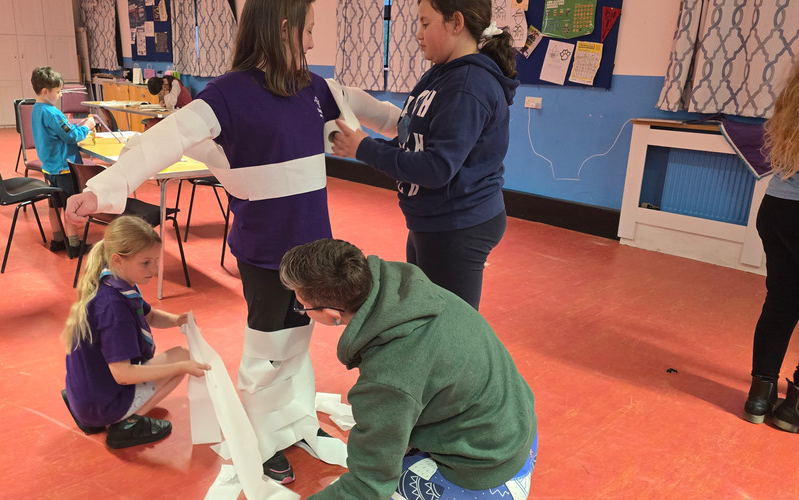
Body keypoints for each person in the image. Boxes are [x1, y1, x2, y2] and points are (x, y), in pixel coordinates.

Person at [65, 0, 401, 484]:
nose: (311, 43)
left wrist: (425, 129)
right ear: (284, 29)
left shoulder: (315, 88)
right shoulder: (227, 96)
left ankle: (294, 419)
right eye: (308, 31)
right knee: (268, 348)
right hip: (266, 254)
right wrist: (98, 191)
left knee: (298, 341)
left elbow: (377, 112)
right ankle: (262, 436)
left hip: (314, 253)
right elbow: (162, 142)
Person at [278, 238, 537, 499]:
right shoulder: (413, 293)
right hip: (516, 427)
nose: (300, 309)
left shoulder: (388, 377)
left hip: (485, 469)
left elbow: (368, 486)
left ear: (332, 314)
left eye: (302, 306)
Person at [330, 0, 519, 310]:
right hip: (432, 219)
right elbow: (414, 145)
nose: (418, 34)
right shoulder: (441, 75)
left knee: (451, 325)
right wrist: (364, 146)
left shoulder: (468, 85)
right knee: (426, 312)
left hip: (458, 224)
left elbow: (436, 167)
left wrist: (365, 148)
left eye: (425, 24)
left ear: (456, 23)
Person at [60, 215, 210, 449]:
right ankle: (126, 425)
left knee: (180, 357)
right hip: (99, 403)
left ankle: (96, 412)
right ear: (119, 260)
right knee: (183, 357)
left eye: (156, 261)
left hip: (85, 394)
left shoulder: (112, 282)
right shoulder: (114, 309)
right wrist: (182, 368)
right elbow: (123, 374)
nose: (154, 269)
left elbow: (148, 315)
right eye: (146, 263)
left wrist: (177, 320)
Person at [743, 61, 799, 432]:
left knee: (781, 300)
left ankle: (759, 397)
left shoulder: (793, 93)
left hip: (778, 207)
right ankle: (794, 410)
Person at [31, 66, 96, 258]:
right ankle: (74, 245)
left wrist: (79, 126)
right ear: (45, 91)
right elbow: (72, 137)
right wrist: (88, 126)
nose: (60, 95)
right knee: (70, 205)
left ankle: (58, 239)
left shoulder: (36, 109)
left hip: (49, 166)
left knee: (54, 205)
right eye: (58, 91)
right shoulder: (52, 113)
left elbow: (60, 131)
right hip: (64, 167)